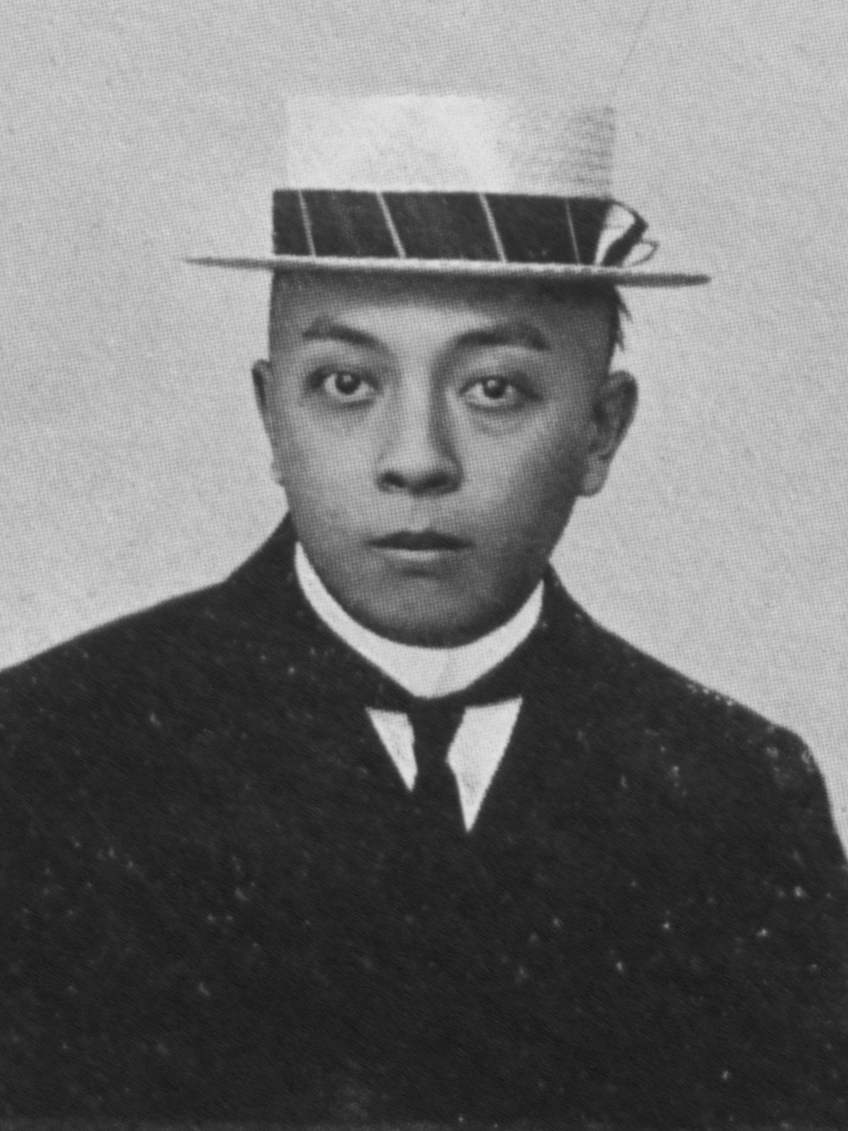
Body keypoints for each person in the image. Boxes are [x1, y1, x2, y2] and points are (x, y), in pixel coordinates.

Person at [0, 95, 846, 1125]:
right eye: (345, 382)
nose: (415, 459)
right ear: (270, 417)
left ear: (601, 430)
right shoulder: (45, 751)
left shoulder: (737, 795)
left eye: (493, 390)